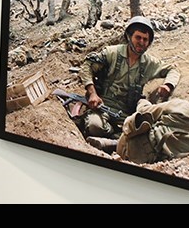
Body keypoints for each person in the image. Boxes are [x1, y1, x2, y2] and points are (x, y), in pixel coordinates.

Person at [77, 16, 181, 150]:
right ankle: (117, 139)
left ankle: (114, 141)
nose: (141, 42)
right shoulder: (111, 53)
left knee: (148, 133)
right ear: (129, 36)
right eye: (138, 37)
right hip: (102, 106)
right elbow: (87, 66)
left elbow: (173, 69)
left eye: (145, 39)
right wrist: (92, 93)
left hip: (126, 112)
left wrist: (168, 85)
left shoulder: (149, 63)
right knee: (95, 126)